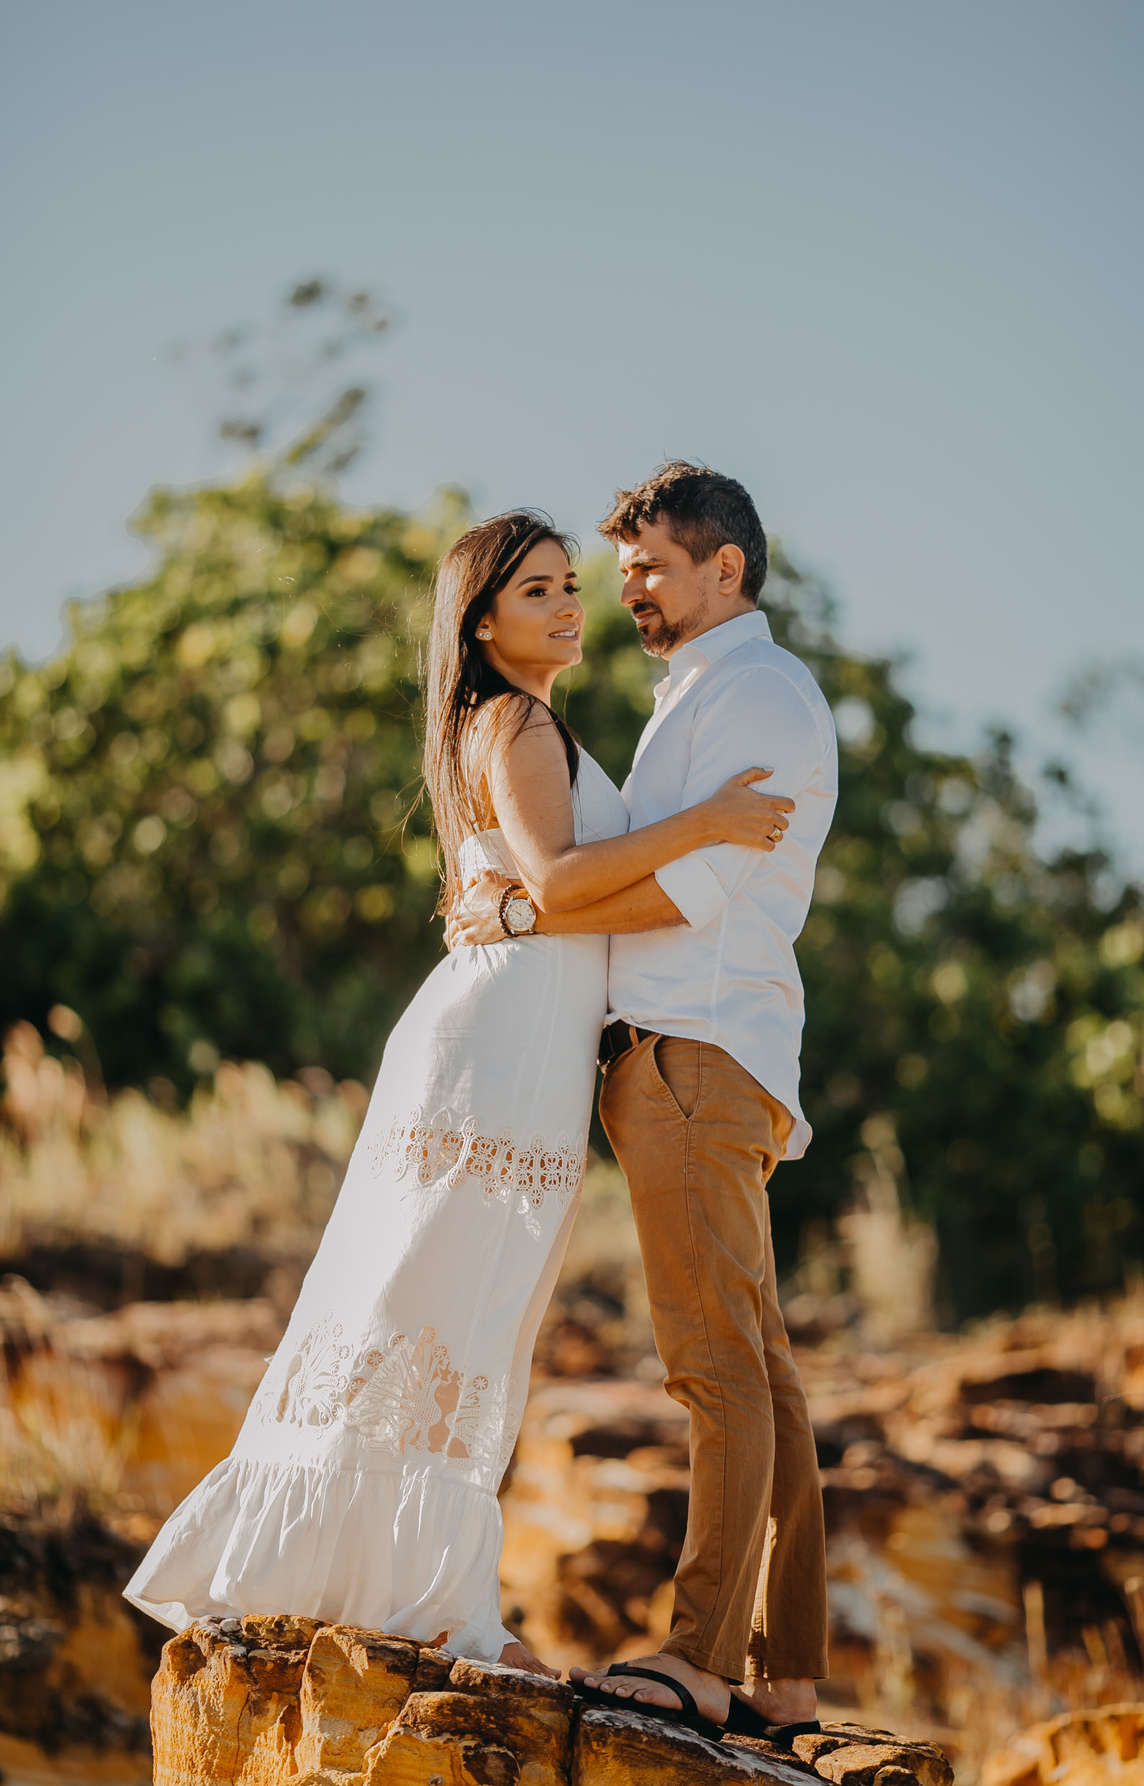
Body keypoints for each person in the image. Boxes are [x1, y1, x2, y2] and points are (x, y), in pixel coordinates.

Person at [123, 508, 793, 1674]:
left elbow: (551, 899)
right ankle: (391, 1592)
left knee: (471, 1311)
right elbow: (565, 875)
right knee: (430, 1295)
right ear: (481, 621)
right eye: (538, 591)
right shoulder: (518, 718)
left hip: (529, 1043)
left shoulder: (531, 725)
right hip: (493, 1049)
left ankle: (417, 1587)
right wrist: (715, 826)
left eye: (570, 587)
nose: (571, 605)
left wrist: (558, 904)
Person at [449, 463, 836, 1742]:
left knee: (715, 1370)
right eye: (616, 579)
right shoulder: (700, 698)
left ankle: (700, 1659)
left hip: (693, 1055)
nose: (629, 596)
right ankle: (783, 1669)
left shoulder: (760, 697)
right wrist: (536, 902)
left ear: (727, 567)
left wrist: (529, 904)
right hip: (698, 1055)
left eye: (650, 570)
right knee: (764, 1378)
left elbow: (692, 893)